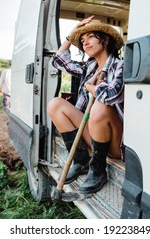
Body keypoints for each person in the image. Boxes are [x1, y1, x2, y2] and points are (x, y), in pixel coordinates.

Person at [47, 16, 124, 194]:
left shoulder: (119, 66)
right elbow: (57, 61)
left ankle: (97, 171)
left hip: (114, 143)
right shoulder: (88, 68)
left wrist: (90, 86)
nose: (85, 42)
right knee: (55, 104)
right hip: (93, 135)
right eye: (82, 40)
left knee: (100, 105)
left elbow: (110, 96)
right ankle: (80, 161)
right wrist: (73, 33)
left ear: (104, 39)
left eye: (90, 37)